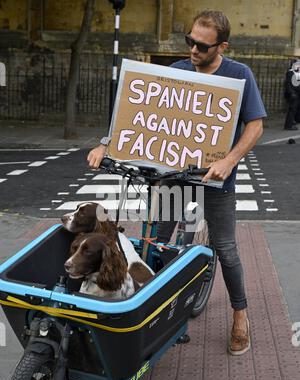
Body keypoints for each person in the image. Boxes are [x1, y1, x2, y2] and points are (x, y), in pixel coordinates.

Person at [87, 10, 267, 356]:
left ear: (221, 46)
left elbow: (255, 125)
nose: (193, 50)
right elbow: (138, 118)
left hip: (217, 179)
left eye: (201, 45)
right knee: (155, 238)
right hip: (173, 176)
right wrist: (106, 144)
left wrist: (229, 160)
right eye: (189, 41)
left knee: (226, 248)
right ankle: (149, 310)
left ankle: (240, 314)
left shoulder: (239, 75)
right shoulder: (176, 72)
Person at [284, 59, 300, 130]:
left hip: (297, 93)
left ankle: (295, 120)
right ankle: (288, 125)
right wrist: (291, 93)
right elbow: (288, 84)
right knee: (292, 109)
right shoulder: (290, 73)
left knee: (296, 108)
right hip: (293, 94)